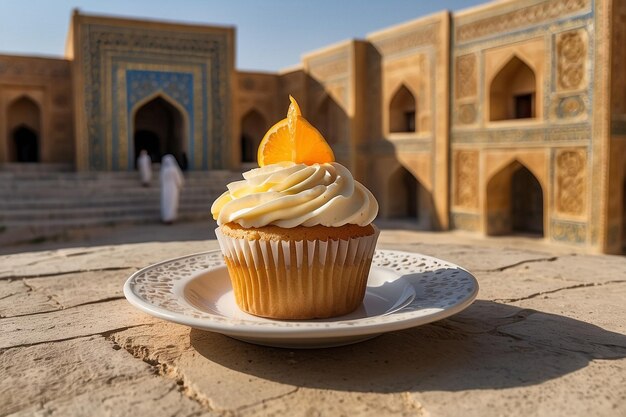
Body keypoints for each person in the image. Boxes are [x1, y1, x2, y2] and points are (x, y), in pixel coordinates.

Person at [160, 154, 184, 224]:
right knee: (172, 203)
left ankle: (166, 218)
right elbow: (178, 179)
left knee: (166, 203)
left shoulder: (163, 170)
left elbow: (161, 180)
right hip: (173, 188)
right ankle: (171, 218)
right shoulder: (174, 169)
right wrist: (180, 185)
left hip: (165, 189)